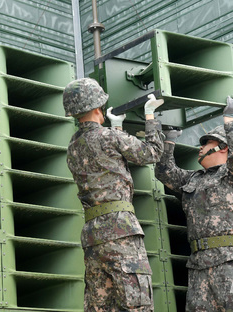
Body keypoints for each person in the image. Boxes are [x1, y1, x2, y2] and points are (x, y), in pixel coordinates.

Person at [63, 78, 164, 311]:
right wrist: (150, 117)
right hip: (120, 229)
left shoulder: (73, 146)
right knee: (136, 302)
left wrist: (116, 127)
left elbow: (108, 162)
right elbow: (151, 153)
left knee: (102, 306)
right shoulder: (109, 137)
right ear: (98, 108)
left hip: (92, 235)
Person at [155, 95, 233, 311]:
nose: (201, 147)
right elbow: (164, 172)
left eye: (207, 143)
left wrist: (230, 119)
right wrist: (168, 141)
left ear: (223, 147)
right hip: (199, 267)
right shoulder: (193, 179)